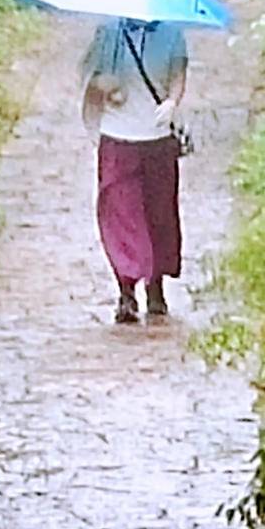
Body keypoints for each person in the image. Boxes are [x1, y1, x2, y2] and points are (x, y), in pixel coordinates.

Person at [80, 18, 188, 324]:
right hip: (117, 137)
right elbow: (88, 78)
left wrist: (171, 102)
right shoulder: (107, 34)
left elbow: (179, 76)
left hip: (157, 139)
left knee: (159, 216)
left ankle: (156, 288)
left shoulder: (172, 35)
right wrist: (102, 86)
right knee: (120, 214)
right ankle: (126, 290)